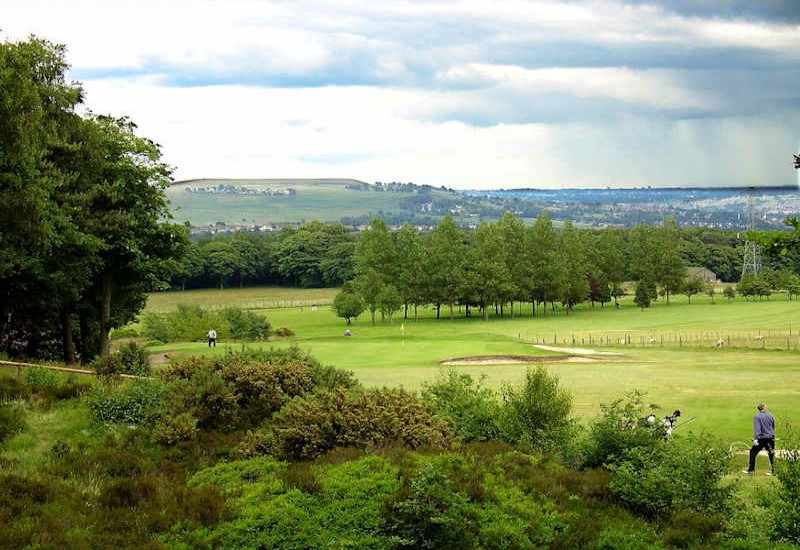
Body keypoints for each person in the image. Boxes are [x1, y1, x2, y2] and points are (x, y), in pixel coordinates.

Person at [743, 403, 775, 476]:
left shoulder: (757, 417)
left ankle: (751, 470)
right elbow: (773, 427)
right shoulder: (771, 415)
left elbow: (758, 430)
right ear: (764, 408)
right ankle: (774, 471)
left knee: (753, 452)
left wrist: (755, 439)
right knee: (771, 454)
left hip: (761, 439)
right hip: (771, 438)